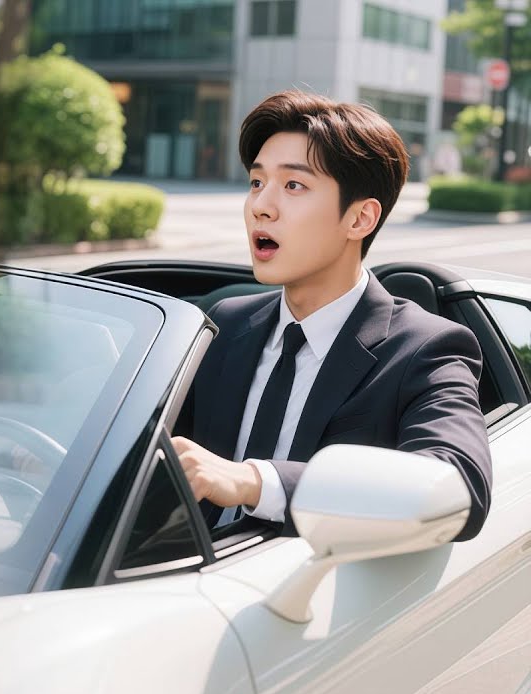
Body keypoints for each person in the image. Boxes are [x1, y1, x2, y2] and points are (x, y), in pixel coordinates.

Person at [173, 90, 492, 542]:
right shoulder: (226, 324)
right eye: (257, 182)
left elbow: (459, 488)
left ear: (360, 219)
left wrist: (255, 481)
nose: (261, 205)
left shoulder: (426, 349)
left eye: (293, 185)